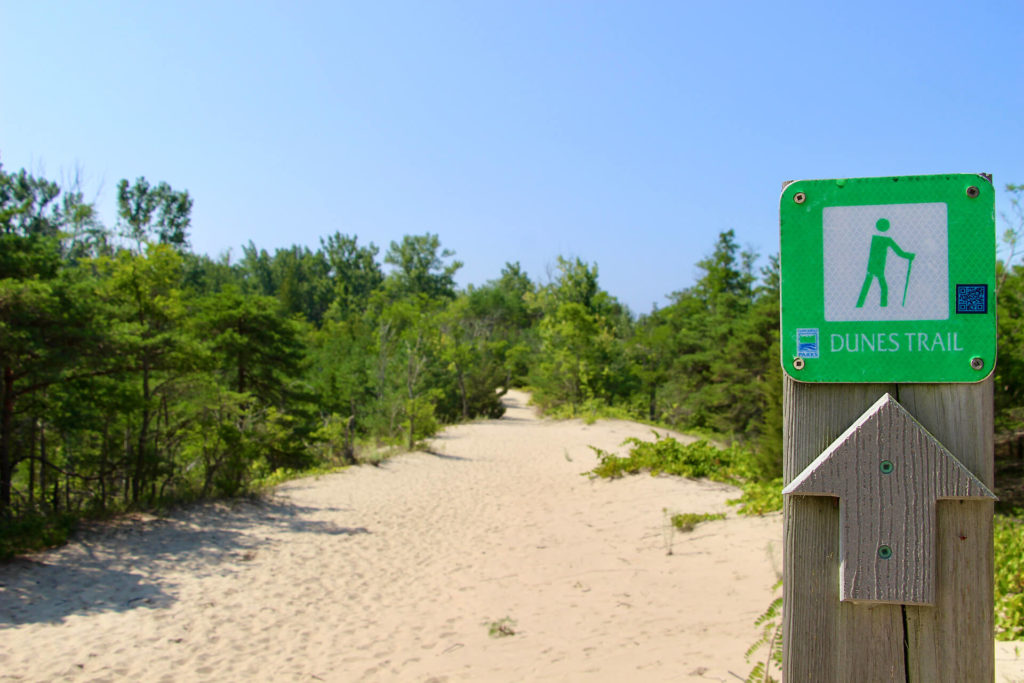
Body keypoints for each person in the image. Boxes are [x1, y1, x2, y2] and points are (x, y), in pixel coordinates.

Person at [855, 218, 914, 308]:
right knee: (882, 288)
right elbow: (899, 252)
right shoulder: (886, 239)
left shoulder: (875, 238)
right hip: (878, 267)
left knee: (869, 288)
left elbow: (899, 252)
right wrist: (909, 256)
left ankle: (861, 305)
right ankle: (883, 307)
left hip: (873, 266)